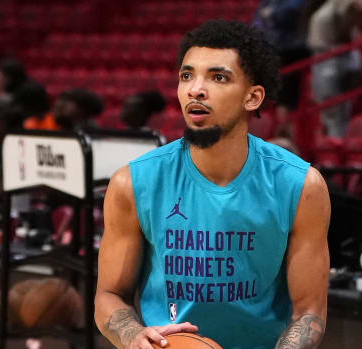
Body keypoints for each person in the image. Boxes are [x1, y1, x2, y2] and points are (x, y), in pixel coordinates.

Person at [95, 20, 330, 349]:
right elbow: (109, 295)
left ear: (253, 97)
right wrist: (134, 335)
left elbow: (308, 313)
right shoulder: (133, 182)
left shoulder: (301, 185)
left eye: (218, 77)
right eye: (187, 76)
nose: (195, 89)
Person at [309, 0, 362, 138]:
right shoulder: (323, 18)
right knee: (330, 109)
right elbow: (321, 47)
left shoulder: (349, 17)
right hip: (325, 60)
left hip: (342, 60)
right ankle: (332, 143)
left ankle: (337, 143)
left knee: (343, 110)